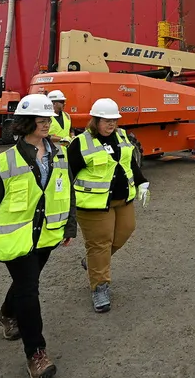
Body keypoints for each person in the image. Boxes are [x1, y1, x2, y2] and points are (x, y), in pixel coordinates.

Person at [0, 93, 75, 378]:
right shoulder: (5, 161)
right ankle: (36, 354)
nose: (46, 123)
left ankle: (6, 315)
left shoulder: (59, 154)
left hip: (46, 236)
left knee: (27, 283)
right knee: (29, 290)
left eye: (48, 118)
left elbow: (67, 190)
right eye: (40, 119)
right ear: (25, 122)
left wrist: (70, 226)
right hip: (17, 237)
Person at [67, 97, 149, 313]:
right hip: (94, 205)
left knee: (126, 230)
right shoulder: (80, 143)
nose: (111, 124)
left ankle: (93, 262)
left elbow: (129, 162)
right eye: (106, 120)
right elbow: (68, 175)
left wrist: (141, 182)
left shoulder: (121, 136)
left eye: (114, 120)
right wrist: (67, 206)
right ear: (95, 120)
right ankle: (99, 287)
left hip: (123, 200)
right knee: (100, 243)